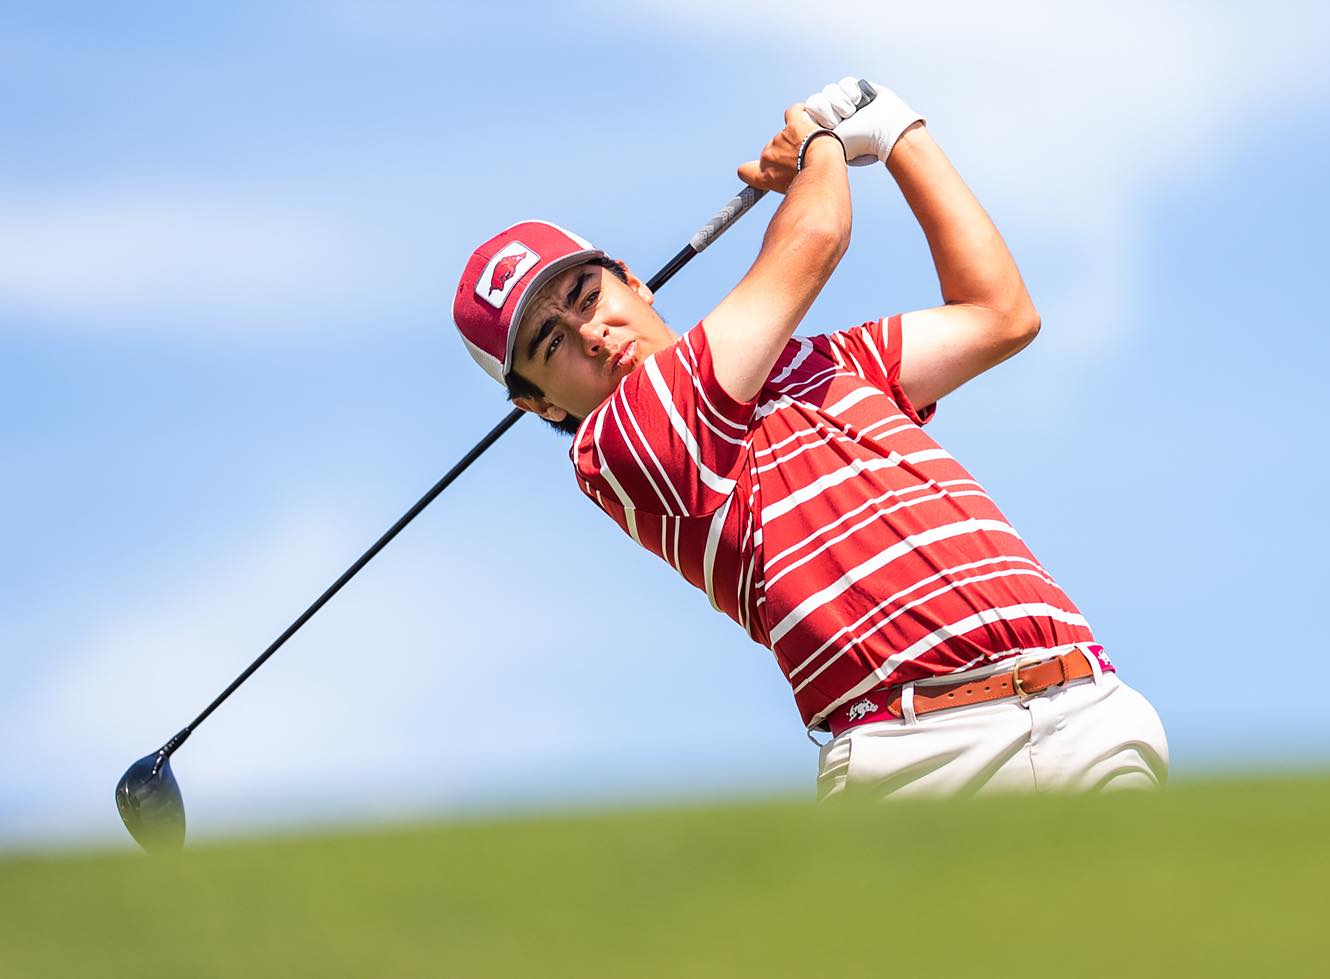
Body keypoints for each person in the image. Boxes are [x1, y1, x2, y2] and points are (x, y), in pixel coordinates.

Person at [451, 78, 1168, 799]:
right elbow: (815, 236)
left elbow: (1000, 315)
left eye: (586, 298)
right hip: (912, 756)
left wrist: (897, 136)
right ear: (537, 402)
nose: (592, 335)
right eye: (552, 343)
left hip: (1081, 703)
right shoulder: (618, 445)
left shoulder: (816, 364)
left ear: (633, 281)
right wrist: (819, 150)